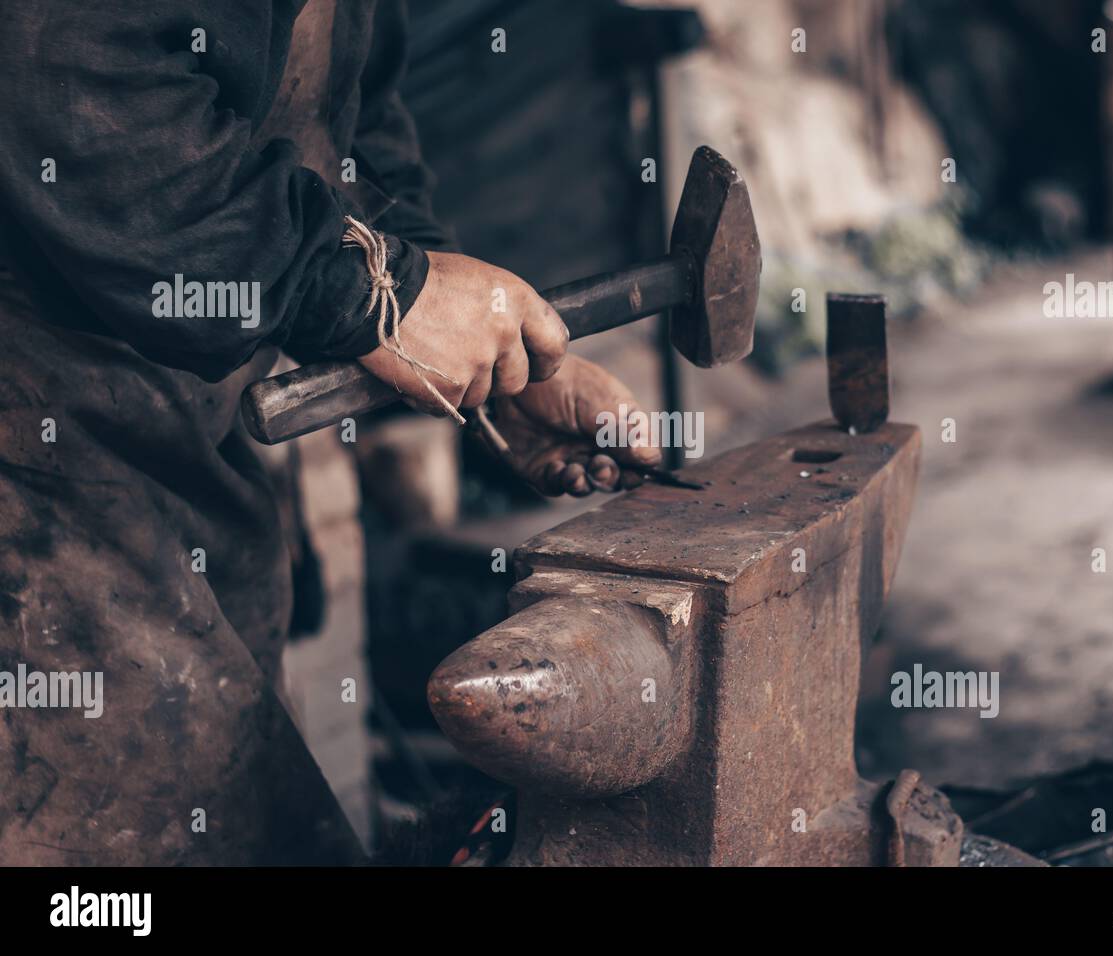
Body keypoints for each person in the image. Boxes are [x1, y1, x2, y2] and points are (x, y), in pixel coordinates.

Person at [0, 0, 659, 864]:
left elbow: (344, 130)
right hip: (33, 462)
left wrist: (479, 350)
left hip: (178, 439)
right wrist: (366, 291)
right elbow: (79, 93)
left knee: (240, 816)